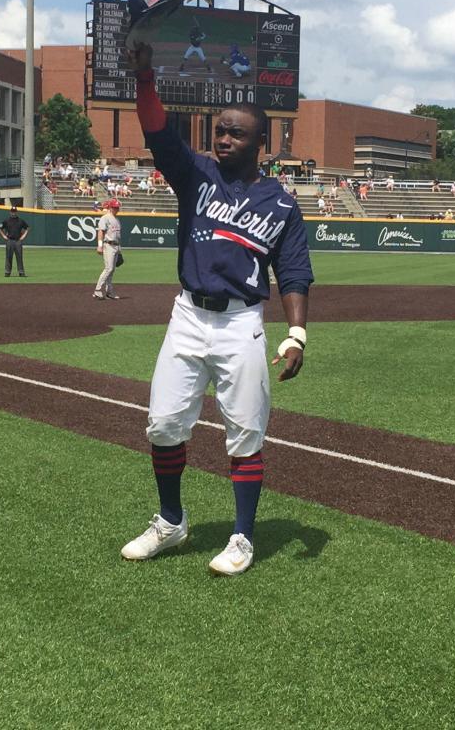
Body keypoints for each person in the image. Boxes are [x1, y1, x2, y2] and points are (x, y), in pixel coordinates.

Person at [119, 40, 313, 577]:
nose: (224, 139)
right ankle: (171, 521)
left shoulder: (281, 203)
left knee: (245, 434)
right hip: (187, 315)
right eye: (220, 130)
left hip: (240, 323)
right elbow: (159, 134)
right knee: (162, 424)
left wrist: (296, 335)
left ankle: (242, 538)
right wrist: (144, 81)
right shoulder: (196, 175)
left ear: (262, 142)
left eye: (237, 132)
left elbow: (293, 273)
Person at [93, 200, 123, 300]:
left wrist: (120, 250)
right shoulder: (105, 218)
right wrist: (100, 245)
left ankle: (109, 292)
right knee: (108, 268)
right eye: (115, 207)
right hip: (108, 245)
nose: (117, 209)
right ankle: (97, 290)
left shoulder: (117, 219)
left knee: (112, 270)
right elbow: (101, 232)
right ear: (110, 207)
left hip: (116, 246)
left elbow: (118, 236)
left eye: (118, 207)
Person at [0, 205, 29, 278]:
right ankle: (7, 272)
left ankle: (21, 272)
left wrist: (23, 236)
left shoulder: (20, 221)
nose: (13, 213)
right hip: (10, 240)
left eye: (14, 212)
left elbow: (27, 228)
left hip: (18, 241)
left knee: (19, 257)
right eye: (12, 211)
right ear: (10, 212)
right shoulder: (7, 220)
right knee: (9, 257)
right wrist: (3, 236)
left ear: (16, 212)